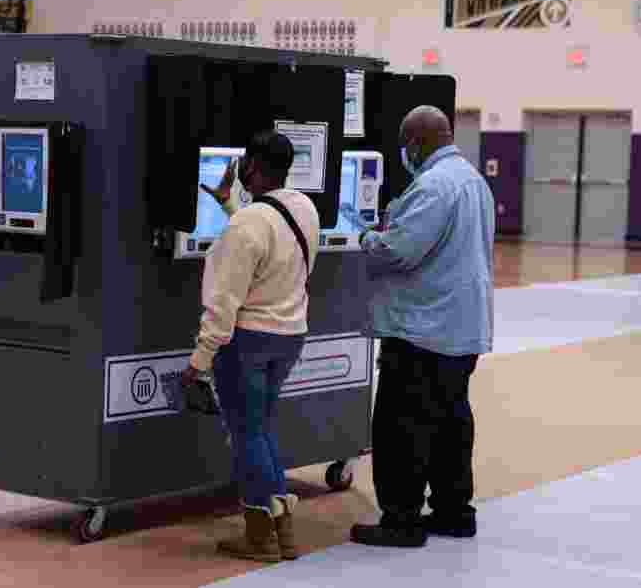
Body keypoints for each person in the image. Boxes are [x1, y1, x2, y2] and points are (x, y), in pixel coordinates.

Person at [350, 105, 496, 548]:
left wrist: (365, 237)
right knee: (451, 424)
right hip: (461, 327)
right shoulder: (473, 180)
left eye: (404, 143)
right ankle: (453, 511)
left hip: (422, 329)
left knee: (402, 427)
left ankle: (402, 520)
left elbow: (398, 251)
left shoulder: (433, 186)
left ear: (415, 142)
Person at [181, 130, 320, 563]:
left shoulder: (247, 225)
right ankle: (284, 534)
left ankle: (261, 537)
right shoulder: (303, 208)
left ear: (253, 167)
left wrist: (197, 362)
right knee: (259, 430)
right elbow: (266, 240)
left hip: (247, 343)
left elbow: (223, 305)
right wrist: (228, 204)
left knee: (246, 436)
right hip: (289, 336)